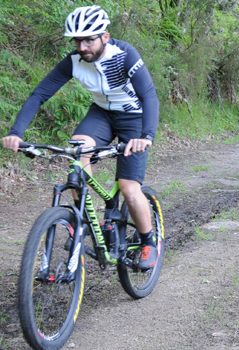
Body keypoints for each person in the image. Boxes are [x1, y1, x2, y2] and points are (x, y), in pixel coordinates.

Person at [2, 6, 160, 269]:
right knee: (76, 156)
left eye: (89, 39)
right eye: (77, 40)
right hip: (101, 114)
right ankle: (83, 220)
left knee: (129, 188)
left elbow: (149, 95)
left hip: (134, 118)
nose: (82, 46)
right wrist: (16, 133)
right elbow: (39, 94)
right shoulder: (74, 60)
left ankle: (148, 242)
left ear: (105, 37)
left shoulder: (124, 55)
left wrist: (147, 136)